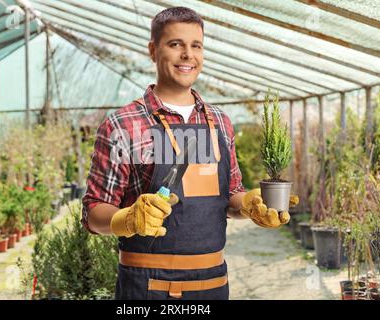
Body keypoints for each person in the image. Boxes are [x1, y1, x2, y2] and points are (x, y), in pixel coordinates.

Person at [82, 7, 297, 300]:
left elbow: (230, 195)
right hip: (148, 287)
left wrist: (250, 204)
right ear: (152, 50)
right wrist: (129, 218)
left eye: (196, 45)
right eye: (175, 44)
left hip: (213, 283)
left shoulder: (219, 122)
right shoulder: (124, 124)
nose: (188, 55)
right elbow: (94, 212)